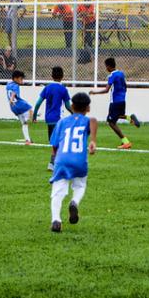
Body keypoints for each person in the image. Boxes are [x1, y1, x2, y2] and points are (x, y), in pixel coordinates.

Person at [48, 92, 97, 233]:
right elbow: (93, 120)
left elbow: (55, 145)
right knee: (80, 186)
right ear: (88, 108)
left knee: (58, 191)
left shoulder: (62, 122)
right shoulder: (88, 120)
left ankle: (56, 220)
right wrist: (93, 140)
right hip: (79, 161)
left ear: (72, 106)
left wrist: (54, 159)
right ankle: (74, 202)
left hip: (62, 160)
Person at [89, 57, 140, 149]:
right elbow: (125, 86)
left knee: (111, 122)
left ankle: (126, 142)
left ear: (108, 66)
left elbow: (106, 90)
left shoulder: (112, 76)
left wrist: (94, 92)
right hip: (122, 100)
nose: (106, 68)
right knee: (118, 115)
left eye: (106, 66)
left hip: (115, 102)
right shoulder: (121, 73)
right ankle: (129, 118)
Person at [33, 66, 73, 171]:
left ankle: (52, 164)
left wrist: (34, 116)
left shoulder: (47, 88)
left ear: (52, 76)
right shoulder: (63, 89)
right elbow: (68, 106)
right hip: (59, 119)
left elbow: (37, 103)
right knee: (63, 142)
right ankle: (58, 163)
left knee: (56, 143)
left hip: (49, 120)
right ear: (62, 76)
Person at [7, 70, 33, 145]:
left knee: (24, 123)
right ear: (15, 78)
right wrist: (12, 99)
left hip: (13, 107)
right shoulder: (16, 85)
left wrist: (11, 100)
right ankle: (32, 119)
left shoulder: (9, 85)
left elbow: (11, 91)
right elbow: (14, 93)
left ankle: (27, 140)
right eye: (21, 79)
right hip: (19, 104)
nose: (22, 80)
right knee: (30, 109)